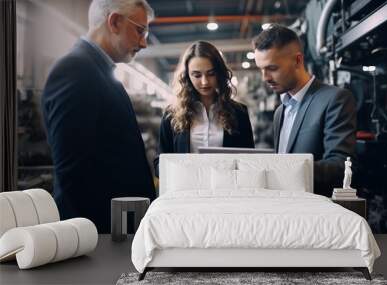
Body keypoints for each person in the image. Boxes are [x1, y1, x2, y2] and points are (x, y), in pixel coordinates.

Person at [41, 0, 156, 233]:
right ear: (114, 22)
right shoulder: (75, 71)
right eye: (140, 30)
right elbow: (72, 173)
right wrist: (96, 239)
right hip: (99, 232)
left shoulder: (98, 71)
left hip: (115, 227)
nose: (143, 43)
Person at [253, 24, 356, 196]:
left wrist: (281, 169)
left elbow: (341, 166)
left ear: (298, 60)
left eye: (272, 68)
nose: (265, 78)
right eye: (261, 69)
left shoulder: (335, 99)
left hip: (319, 213)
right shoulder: (280, 111)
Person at [154, 41, 255, 176]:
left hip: (227, 192)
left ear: (219, 73)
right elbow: (159, 163)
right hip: (186, 192)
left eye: (211, 73)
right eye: (196, 75)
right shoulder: (171, 114)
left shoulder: (239, 113)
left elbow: (250, 162)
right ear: (186, 76)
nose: (204, 82)